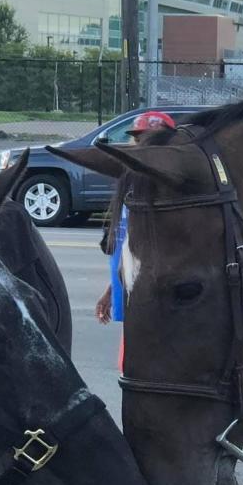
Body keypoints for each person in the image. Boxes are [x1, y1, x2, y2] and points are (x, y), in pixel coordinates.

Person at [95, 110, 176, 325]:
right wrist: (112, 289)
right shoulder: (130, 187)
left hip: (156, 304)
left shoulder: (171, 193)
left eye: (151, 140)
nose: (141, 146)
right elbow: (126, 245)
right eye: (138, 139)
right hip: (129, 293)